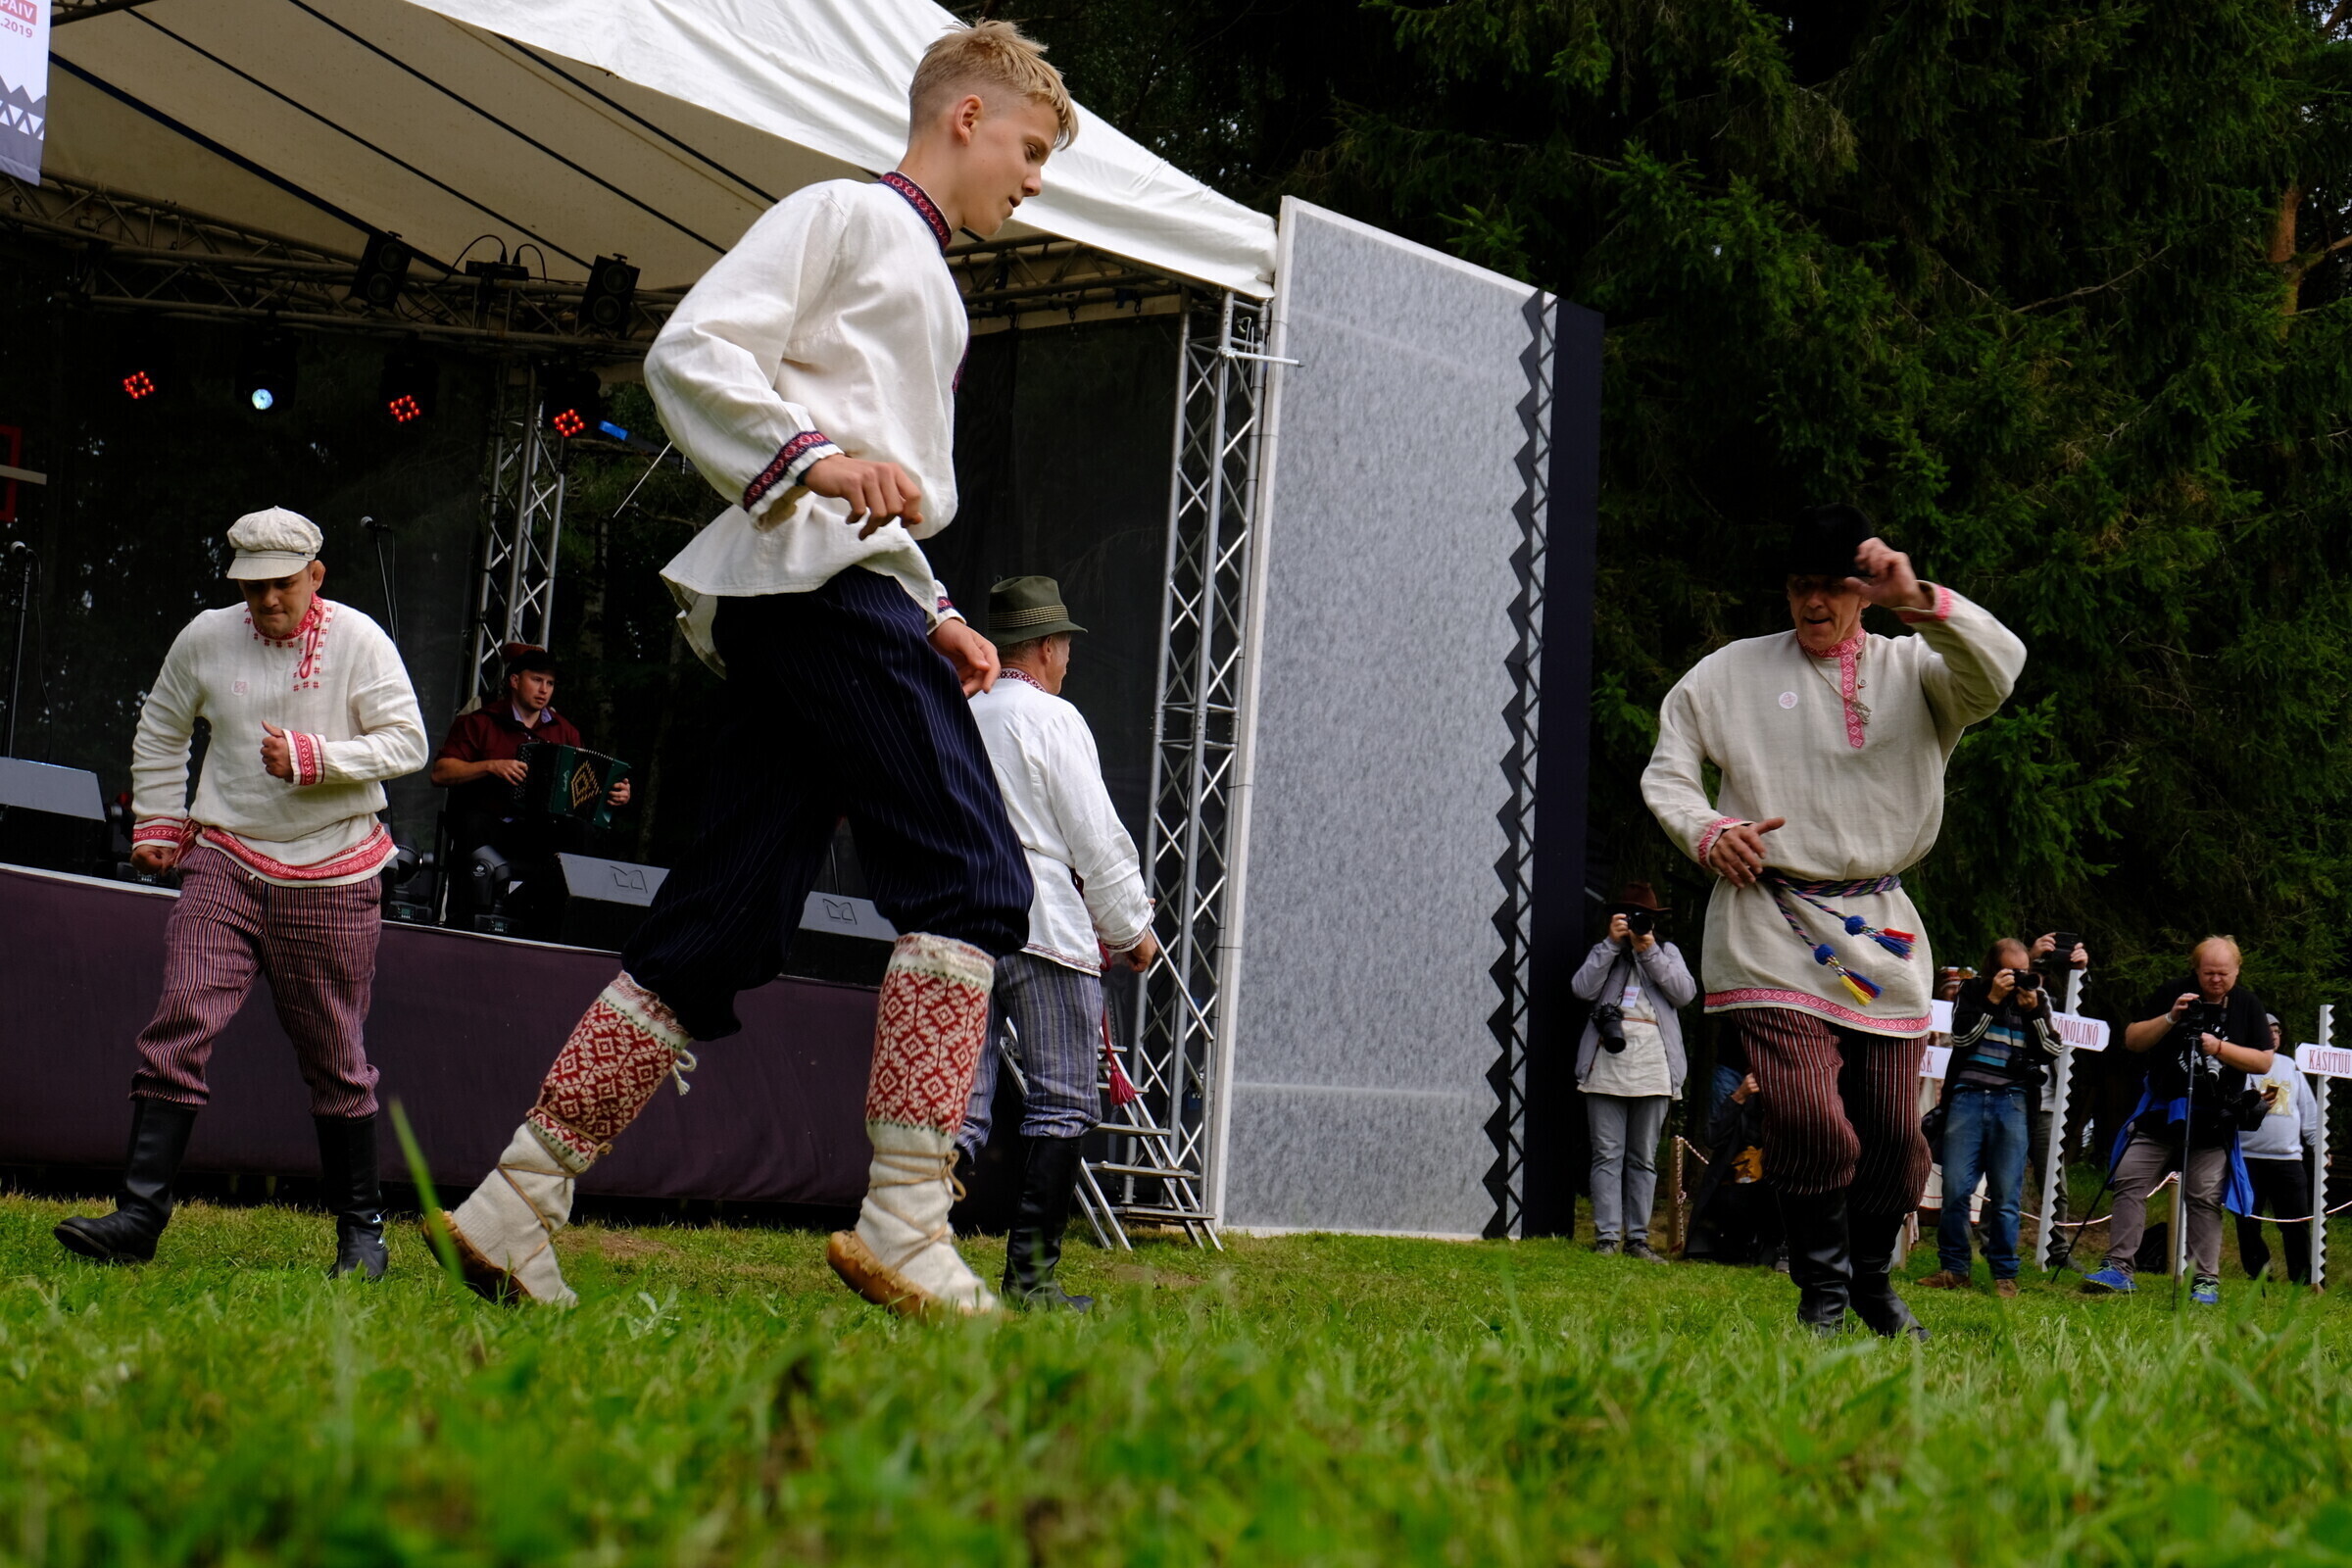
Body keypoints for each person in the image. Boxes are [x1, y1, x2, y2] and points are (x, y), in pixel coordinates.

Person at [431, 23, 1075, 1315]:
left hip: (819, 596)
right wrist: (816, 464)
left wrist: (938, 609)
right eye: (1030, 147)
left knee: (721, 921)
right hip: (821, 592)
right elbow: (696, 352)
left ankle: (512, 1200)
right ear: (965, 116)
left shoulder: (923, 269)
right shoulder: (847, 213)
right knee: (972, 879)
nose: (1035, 178)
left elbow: (877, 466)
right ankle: (905, 1222)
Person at [1642, 506, 2025, 1337]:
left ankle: (1870, 1284)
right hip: (1766, 923)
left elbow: (2001, 669)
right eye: (1799, 586)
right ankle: (1821, 1294)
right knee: (1813, 1118)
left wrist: (1917, 598)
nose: (1814, 603)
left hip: (1880, 931)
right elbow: (1668, 771)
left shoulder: (1917, 670)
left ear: (1862, 591)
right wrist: (1710, 831)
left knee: (1892, 1137)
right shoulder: (1730, 673)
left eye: (1831, 587)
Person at [54, 509, 426, 1278]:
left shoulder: (359, 641)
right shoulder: (206, 636)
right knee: (180, 1018)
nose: (268, 600)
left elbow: (408, 742)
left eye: (283, 585)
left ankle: (362, 1235)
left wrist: (314, 758)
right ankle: (138, 1218)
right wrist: (159, 821)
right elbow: (162, 726)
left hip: (333, 873)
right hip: (224, 858)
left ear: (316, 576)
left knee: (336, 1058)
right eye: (253, 588)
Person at [952, 576, 1161, 1309]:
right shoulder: (1052, 717)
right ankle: (1031, 1283)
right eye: (1065, 645)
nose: (1068, 658)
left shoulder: (956, 711)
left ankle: (911, 1252)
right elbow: (1094, 838)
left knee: (957, 1104)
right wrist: (1131, 931)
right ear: (1045, 646)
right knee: (1063, 1102)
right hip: (1040, 926)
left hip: (958, 923)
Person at [2082, 937, 2273, 1304]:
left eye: (2223, 974)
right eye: (2208, 973)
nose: (2215, 980)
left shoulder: (2247, 1004)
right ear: (2195, 969)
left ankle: (2204, 1280)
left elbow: (2264, 1061)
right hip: (2161, 1112)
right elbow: (2133, 1040)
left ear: (2237, 971)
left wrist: (2218, 1048)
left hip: (2212, 1120)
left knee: (2204, 1198)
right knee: (2129, 1179)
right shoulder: (2174, 992)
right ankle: (2118, 1268)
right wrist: (2170, 1018)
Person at [429, 645, 630, 934]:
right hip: (492, 825)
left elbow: (583, 787)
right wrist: (490, 766)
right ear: (514, 680)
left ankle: (565, 927)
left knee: (581, 832)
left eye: (550, 683)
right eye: (536, 680)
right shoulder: (481, 721)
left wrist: (614, 794)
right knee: (473, 822)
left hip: (540, 830)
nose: (544, 690)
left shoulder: (564, 731)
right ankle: (466, 923)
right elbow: (440, 772)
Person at [1916, 939, 2070, 1297]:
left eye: (2024, 972)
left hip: (2013, 1101)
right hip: (1967, 1098)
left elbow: (2051, 1050)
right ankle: (1954, 1269)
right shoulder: (1972, 991)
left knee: (2006, 1195)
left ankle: (2004, 1275)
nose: (2019, 979)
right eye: (2011, 972)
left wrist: (2033, 1013)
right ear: (1993, 970)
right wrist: (1993, 1001)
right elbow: (1962, 1039)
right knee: (1956, 1189)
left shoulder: (2036, 998)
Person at [1568, 882, 1695, 1260]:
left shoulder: (1666, 952)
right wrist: (1610, 945)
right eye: (1630, 917)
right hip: (1606, 1063)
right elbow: (1581, 988)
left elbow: (1684, 993)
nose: (1637, 923)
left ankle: (1638, 1239)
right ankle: (1607, 1238)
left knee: (1642, 1157)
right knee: (1607, 1154)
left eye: (1644, 918)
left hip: (1654, 1065)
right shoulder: (1607, 952)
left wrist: (1648, 950)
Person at [2234, 1012, 2320, 1285]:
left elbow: (2309, 1111)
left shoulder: (2291, 1066)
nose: (2272, 1035)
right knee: (2247, 1220)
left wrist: (2319, 1145)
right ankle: (2258, 1273)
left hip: (2288, 1159)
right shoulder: (2239, 1065)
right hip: (2248, 1157)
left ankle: (2302, 1277)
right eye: (2266, 1030)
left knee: (2295, 1221)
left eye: (2276, 1030)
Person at [1684, 1072, 1783, 1265]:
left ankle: (1780, 1250)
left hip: (1775, 1189)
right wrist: (1739, 1096)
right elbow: (1712, 1138)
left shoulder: (1793, 1107)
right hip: (1738, 1188)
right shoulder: (1744, 1100)